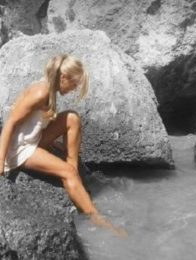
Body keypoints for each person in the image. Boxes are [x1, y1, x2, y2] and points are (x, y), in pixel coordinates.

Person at [0, 54, 127, 237]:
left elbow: (35, 122)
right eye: (74, 84)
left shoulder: (49, 88)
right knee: (67, 172)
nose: (75, 89)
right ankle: (96, 217)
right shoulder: (40, 92)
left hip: (35, 139)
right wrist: (0, 163)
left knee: (72, 118)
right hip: (20, 149)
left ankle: (75, 177)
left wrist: (50, 142)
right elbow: (10, 123)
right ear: (63, 77)